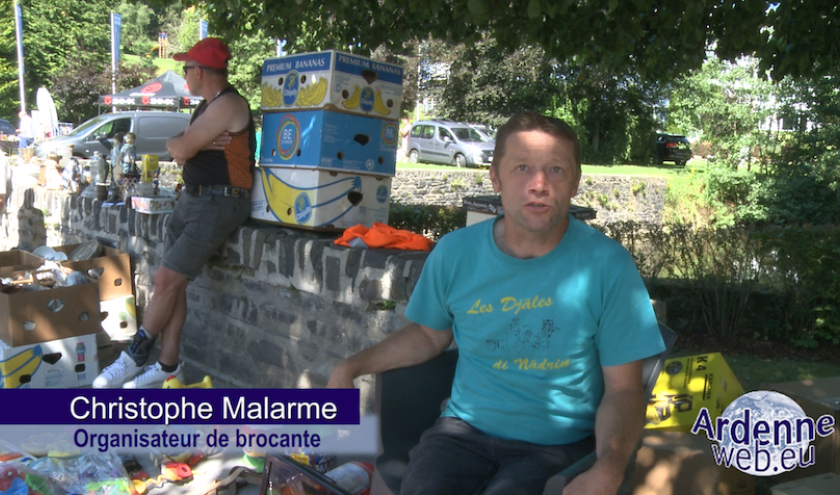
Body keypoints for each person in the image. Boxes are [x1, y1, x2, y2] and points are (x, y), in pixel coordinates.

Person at [328, 112, 665, 495]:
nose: (539, 185)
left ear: (575, 182)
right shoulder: (456, 253)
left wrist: (610, 467)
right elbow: (428, 335)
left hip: (556, 446)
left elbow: (623, 390)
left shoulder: (607, 265)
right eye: (522, 168)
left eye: (556, 169)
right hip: (460, 435)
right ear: (495, 178)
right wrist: (350, 367)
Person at [93, 37, 256, 389]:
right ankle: (168, 366)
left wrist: (187, 145)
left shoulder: (229, 104)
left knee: (167, 280)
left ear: (199, 72)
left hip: (218, 201)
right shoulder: (207, 107)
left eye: (186, 68)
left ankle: (134, 354)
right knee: (174, 285)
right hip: (194, 200)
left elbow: (181, 149)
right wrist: (187, 143)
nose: (183, 75)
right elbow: (175, 146)